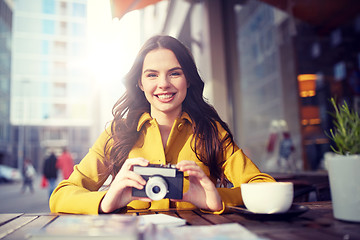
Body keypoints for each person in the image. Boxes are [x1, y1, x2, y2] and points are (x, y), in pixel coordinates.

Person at [50, 35, 275, 214]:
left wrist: (215, 198)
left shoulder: (211, 131)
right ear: (139, 82)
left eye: (174, 73)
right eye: (152, 75)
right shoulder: (117, 133)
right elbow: (61, 195)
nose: (163, 84)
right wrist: (106, 201)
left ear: (188, 79)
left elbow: (265, 187)